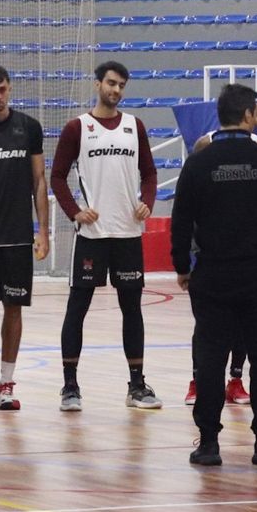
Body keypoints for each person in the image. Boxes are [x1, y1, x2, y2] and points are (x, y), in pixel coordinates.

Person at [171, 84, 257, 466]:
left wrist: (182, 266)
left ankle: (208, 443)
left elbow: (181, 219)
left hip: (214, 274)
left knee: (210, 359)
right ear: (249, 116)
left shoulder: (199, 161)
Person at [51, 61, 160, 412]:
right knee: (77, 309)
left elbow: (149, 173)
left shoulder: (134, 126)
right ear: (98, 84)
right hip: (92, 235)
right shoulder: (77, 128)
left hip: (127, 233)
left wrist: (147, 202)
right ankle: (70, 386)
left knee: (132, 310)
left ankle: (137, 385)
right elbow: (57, 177)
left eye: (121, 85)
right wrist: (75, 212)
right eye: (111, 83)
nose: (116, 90)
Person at [182, 127, 257, 408]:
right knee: (209, 324)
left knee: (246, 321)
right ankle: (198, 380)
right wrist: (182, 261)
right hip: (214, 247)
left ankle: (235, 379)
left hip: (253, 249)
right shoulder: (206, 146)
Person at [0, 66, 50, 411]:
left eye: (2, 89)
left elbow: (39, 181)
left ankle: (6, 382)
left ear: (10, 88)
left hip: (18, 238)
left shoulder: (28, 128)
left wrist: (42, 231)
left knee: (14, 308)